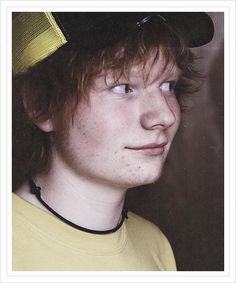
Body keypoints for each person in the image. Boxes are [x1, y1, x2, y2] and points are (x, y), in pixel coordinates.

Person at [12, 12, 214, 271]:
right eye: (124, 87)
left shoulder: (155, 245)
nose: (164, 116)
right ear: (40, 104)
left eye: (168, 85)